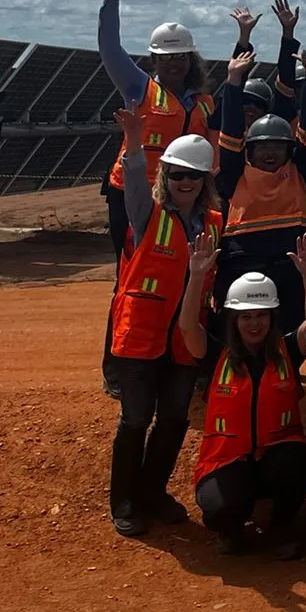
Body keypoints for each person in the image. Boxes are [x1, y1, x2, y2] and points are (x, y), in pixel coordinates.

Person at [105, 116, 220, 536]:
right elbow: (133, 181)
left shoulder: (213, 223)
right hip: (141, 334)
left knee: (173, 418)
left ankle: (151, 492)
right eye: (177, 175)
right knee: (136, 418)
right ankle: (124, 500)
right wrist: (134, 142)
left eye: (193, 176)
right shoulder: (145, 215)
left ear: (205, 180)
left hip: (184, 339)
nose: (185, 182)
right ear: (165, 175)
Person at [177, 230, 306, 558]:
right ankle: (231, 530)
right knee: (221, 508)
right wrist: (196, 277)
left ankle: (282, 526)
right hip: (226, 460)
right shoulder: (217, 357)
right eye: (246, 317)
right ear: (234, 319)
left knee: (297, 461)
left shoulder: (286, 351)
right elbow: (188, 328)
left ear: (271, 318)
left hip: (277, 456)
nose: (254, 324)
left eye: (261, 316)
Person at [95, 0, 215, 264]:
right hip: (132, 192)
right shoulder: (139, 87)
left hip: (182, 192)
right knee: (131, 265)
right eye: (166, 57)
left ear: (190, 59)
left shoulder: (202, 101)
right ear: (154, 60)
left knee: (177, 265)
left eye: (180, 57)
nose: (174, 63)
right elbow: (110, 50)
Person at [217, 44, 306, 328]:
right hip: (243, 261)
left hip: (290, 263)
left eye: (278, 147)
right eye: (262, 147)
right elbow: (228, 132)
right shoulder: (236, 172)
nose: (270, 153)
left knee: (290, 326)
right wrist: (233, 83)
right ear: (249, 150)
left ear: (289, 150)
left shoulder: (298, 171)